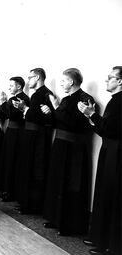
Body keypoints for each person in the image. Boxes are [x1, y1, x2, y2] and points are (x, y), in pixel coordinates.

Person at [42, 68, 94, 236]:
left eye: (63, 81)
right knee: (57, 182)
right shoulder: (66, 99)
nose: (62, 84)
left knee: (70, 185)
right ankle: (55, 219)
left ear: (71, 82)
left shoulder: (86, 99)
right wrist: (50, 112)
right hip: (60, 146)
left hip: (74, 150)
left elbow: (75, 124)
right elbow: (58, 121)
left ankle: (69, 225)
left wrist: (56, 108)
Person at [78, 66, 122, 255]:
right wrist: (91, 117)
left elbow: (113, 129)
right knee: (104, 194)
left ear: (120, 81)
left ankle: (110, 246)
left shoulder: (120, 102)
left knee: (111, 197)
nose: (106, 81)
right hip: (110, 151)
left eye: (110, 78)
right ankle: (100, 238)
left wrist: (92, 115)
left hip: (117, 154)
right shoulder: (115, 101)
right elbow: (106, 130)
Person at [14, 68, 55, 214]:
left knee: (34, 170)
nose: (28, 80)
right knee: (29, 169)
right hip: (33, 136)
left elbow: (44, 118)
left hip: (37, 138)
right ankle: (28, 203)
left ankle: (32, 205)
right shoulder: (40, 94)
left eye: (30, 77)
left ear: (37, 77)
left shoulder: (44, 94)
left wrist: (24, 109)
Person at [0, 76, 30, 202]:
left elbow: (13, 115)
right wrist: (2, 103)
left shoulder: (24, 99)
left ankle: (11, 192)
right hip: (10, 132)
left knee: (13, 161)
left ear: (19, 86)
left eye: (12, 85)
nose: (9, 87)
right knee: (7, 160)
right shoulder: (12, 99)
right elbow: (2, 114)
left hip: (18, 134)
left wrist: (4, 102)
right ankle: (6, 190)